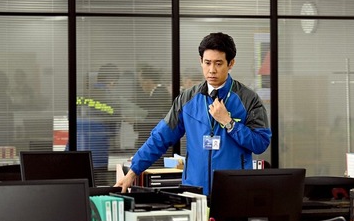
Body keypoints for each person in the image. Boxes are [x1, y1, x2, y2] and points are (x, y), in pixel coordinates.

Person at [115, 32, 272, 195]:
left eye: (218, 64)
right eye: (207, 63)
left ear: (231, 63)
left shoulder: (248, 99)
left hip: (234, 191)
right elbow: (160, 138)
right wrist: (132, 172)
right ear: (201, 61)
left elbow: (260, 143)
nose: (212, 70)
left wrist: (229, 123)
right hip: (194, 191)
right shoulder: (187, 99)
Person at [134, 64, 172, 148]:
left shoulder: (159, 94)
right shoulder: (157, 93)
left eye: (141, 82)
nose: (141, 85)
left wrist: (136, 122)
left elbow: (153, 119)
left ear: (149, 81)